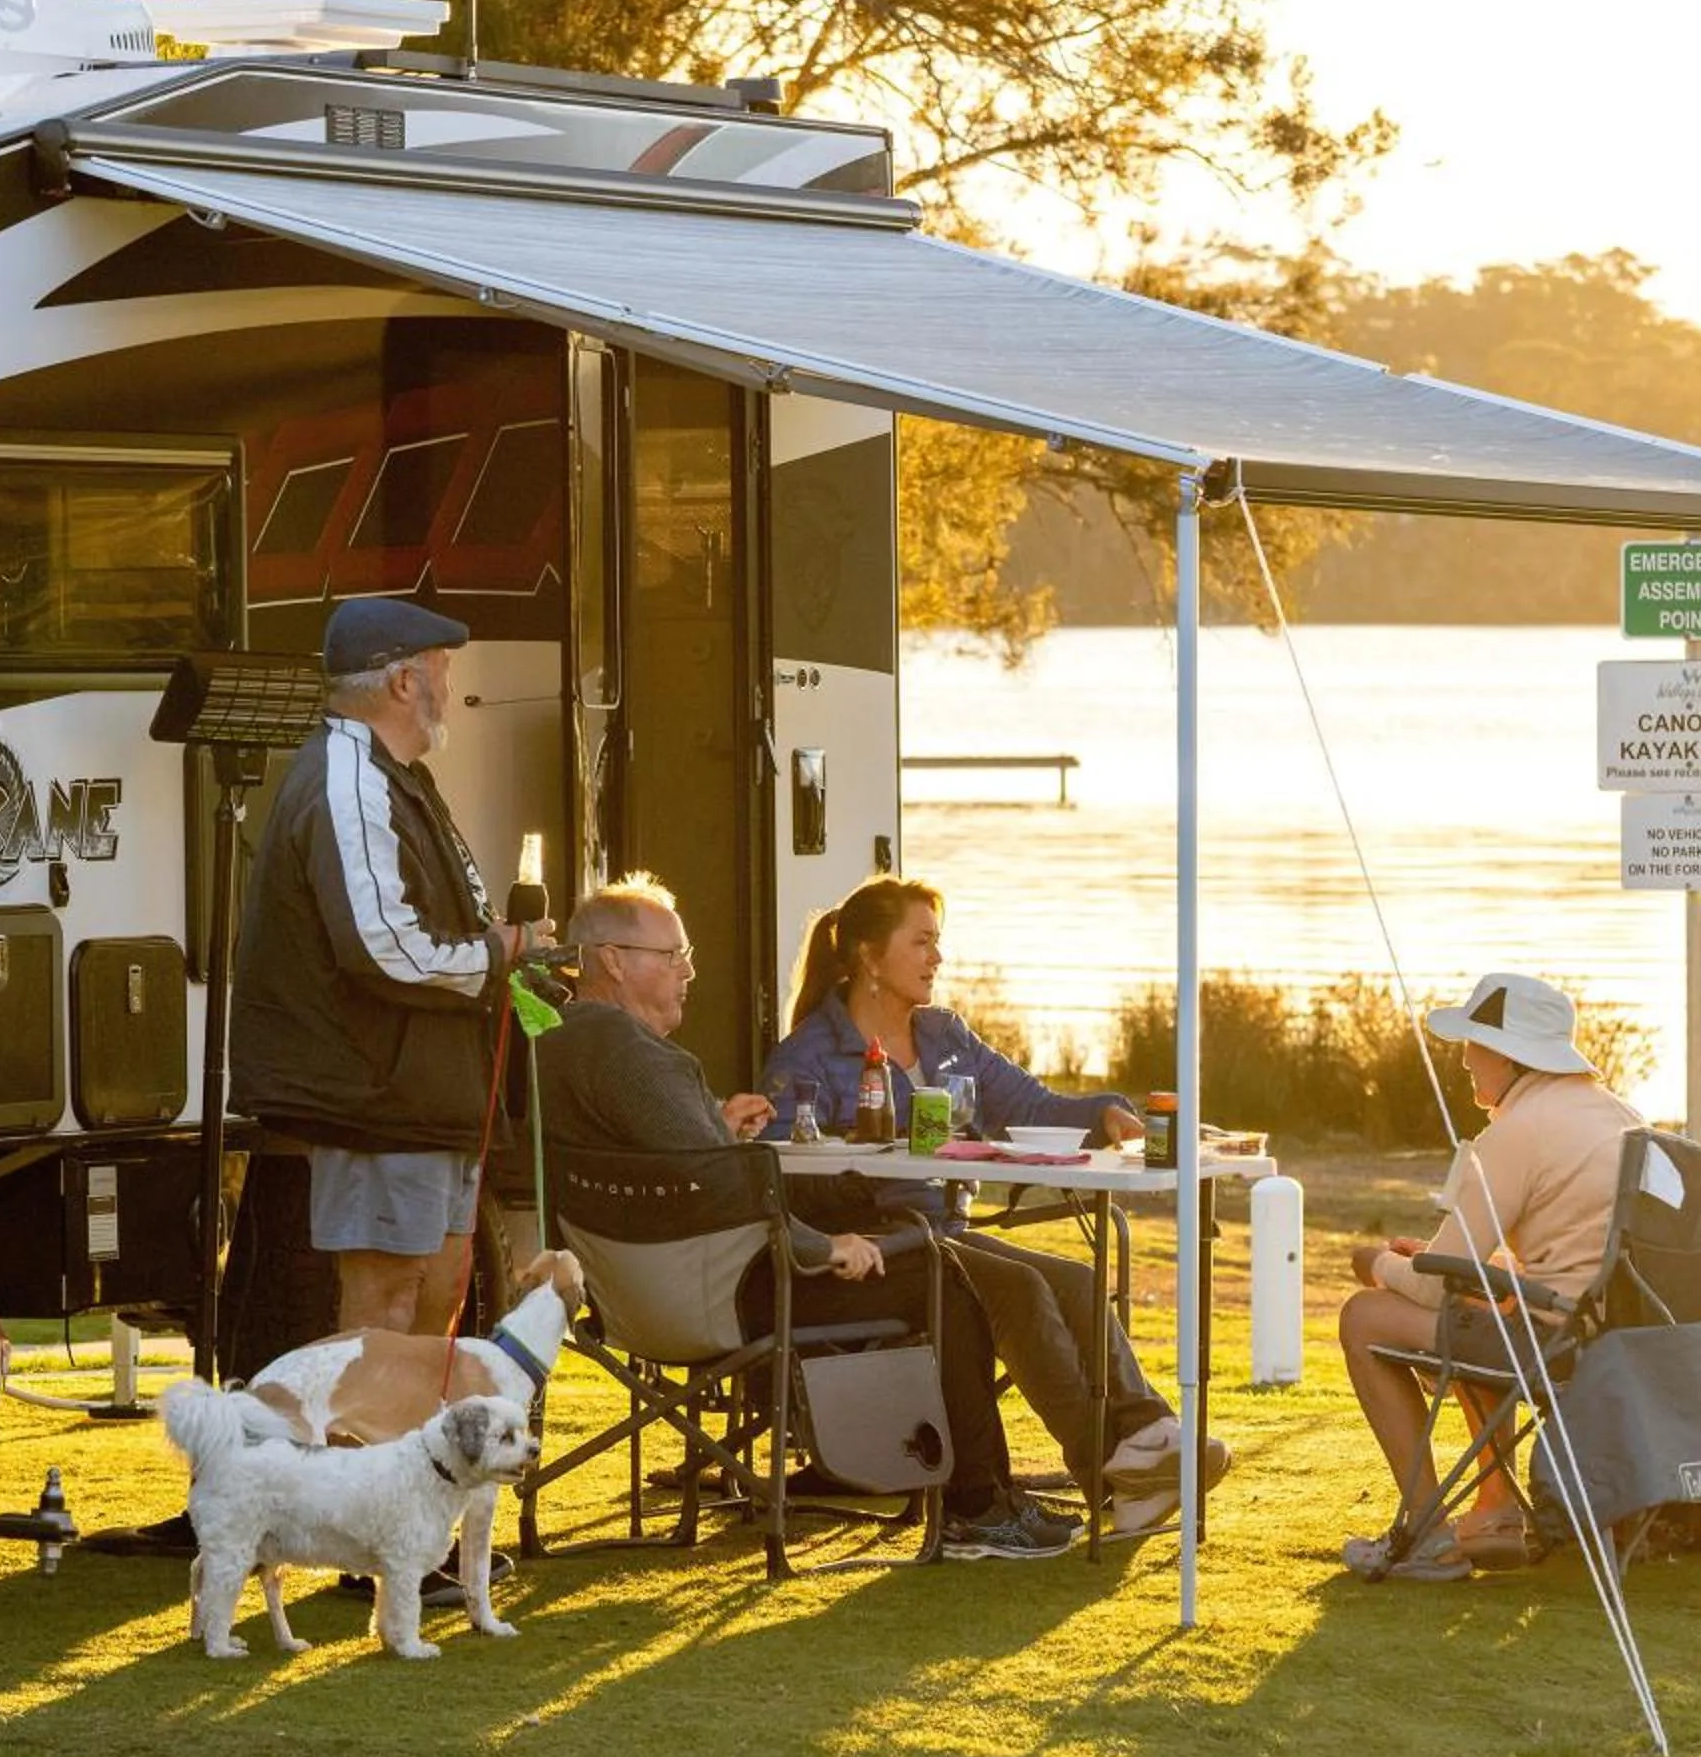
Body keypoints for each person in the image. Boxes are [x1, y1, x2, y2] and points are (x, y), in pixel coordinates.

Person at [535, 875, 1073, 1560]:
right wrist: (823, 1249)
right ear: (612, 960)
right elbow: (724, 1194)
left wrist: (716, 1127)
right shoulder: (631, 1054)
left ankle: (963, 1491)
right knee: (939, 1275)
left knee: (934, 1264)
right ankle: (977, 1507)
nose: (689, 970)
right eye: (672, 955)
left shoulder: (555, 1041)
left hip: (629, 1297)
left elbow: (675, 1169)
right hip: (723, 1299)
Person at [759, 875, 1228, 1541]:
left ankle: (1147, 1440)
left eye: (937, 943)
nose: (936, 959)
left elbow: (1031, 1108)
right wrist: (863, 1179)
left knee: (1081, 1279)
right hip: (886, 1248)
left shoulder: (946, 1035)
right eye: (921, 942)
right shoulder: (808, 1056)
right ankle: (1116, 1466)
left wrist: (1108, 1114)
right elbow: (781, 1177)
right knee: (1023, 1288)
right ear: (868, 955)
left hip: (945, 1230)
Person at [228, 598, 542, 1340]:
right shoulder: (348, 777)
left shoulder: (393, 774)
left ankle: (414, 1456)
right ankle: (362, 1456)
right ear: (402, 682)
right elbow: (381, 948)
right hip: (376, 1100)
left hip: (424, 1099)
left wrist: (501, 951)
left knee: (439, 1294)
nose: (449, 682)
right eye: (440, 665)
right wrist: (496, 955)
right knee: (386, 1308)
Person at [1336, 972, 1640, 1582]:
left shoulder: (1515, 1133)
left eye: (1475, 1045)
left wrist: (1377, 1263)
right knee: (1480, 1300)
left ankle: (1425, 1534)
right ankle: (1497, 1509)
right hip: (1619, 1339)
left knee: (1363, 1315)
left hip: (1557, 1343)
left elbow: (1431, 1287)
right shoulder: (1624, 1115)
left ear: (1508, 1055)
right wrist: (1462, 1267)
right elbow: (1576, 1253)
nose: (1466, 1060)